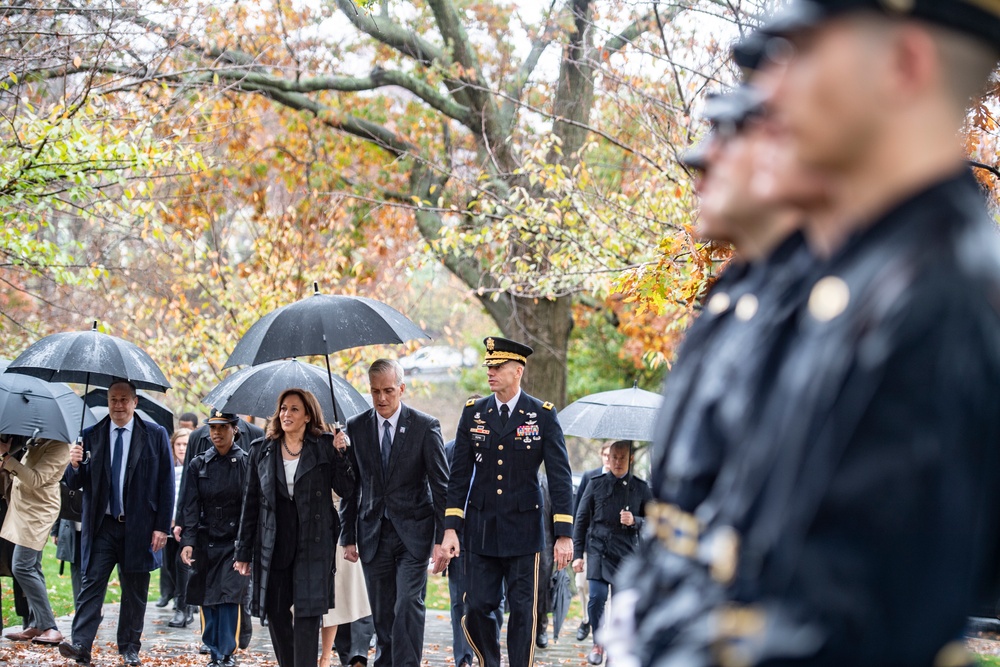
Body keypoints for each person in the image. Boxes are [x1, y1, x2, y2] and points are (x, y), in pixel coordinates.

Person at [622, 3, 1000, 666]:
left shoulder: (945, 294)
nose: (772, 88)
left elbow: (851, 620)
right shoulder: (869, 277)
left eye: (805, 54)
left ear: (905, 64)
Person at [441, 336, 575, 667]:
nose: (491, 373)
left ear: (518, 371)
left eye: (498, 367)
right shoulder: (474, 413)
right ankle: (490, 661)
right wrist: (450, 529)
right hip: (481, 530)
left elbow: (559, 477)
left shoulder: (541, 415)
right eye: (489, 366)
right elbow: (458, 476)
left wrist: (564, 534)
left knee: (523, 613)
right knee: (475, 607)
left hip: (524, 532)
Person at [337, 358, 448, 667]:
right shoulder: (356, 427)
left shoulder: (425, 427)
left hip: (414, 533)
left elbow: (441, 486)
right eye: (375, 392)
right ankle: (385, 662)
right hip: (372, 533)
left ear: (401, 388)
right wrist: (348, 537)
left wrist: (444, 537)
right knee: (383, 611)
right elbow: (351, 488)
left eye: (388, 391)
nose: (382, 399)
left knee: (409, 604)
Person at [59, 380, 175, 667]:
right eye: (113, 399)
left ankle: (129, 647)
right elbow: (75, 484)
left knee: (135, 590)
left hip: (140, 526)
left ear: (135, 402)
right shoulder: (91, 435)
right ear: (108, 402)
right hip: (103, 526)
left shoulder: (155, 435)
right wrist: (73, 465)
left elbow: (166, 483)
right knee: (91, 584)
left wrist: (161, 526)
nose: (118, 405)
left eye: (124, 399)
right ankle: (81, 645)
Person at [235, 388, 354, 667]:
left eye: (294, 409)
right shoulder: (261, 450)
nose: (286, 414)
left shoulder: (325, 445)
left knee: (307, 616)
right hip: (273, 543)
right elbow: (250, 503)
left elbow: (346, 489)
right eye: (283, 408)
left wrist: (342, 455)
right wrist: (242, 551)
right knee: (276, 613)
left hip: (313, 544)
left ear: (308, 415)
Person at [176, 414, 263, 646]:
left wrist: (248, 544)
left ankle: (226, 651)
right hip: (207, 540)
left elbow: (251, 505)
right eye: (213, 428)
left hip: (234, 542)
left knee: (229, 598)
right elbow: (191, 506)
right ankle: (213, 649)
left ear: (234, 430)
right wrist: (188, 541)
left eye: (222, 428)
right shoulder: (199, 464)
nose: (216, 433)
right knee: (208, 597)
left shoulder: (246, 463)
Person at [571, 441, 651, 665]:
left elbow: (655, 521)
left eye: (622, 458)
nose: (617, 462)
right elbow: (581, 519)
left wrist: (635, 520)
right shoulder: (595, 484)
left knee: (620, 605)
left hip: (626, 554)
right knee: (596, 598)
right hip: (598, 549)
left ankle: (615, 652)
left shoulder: (640, 488)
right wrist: (578, 554)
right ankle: (598, 642)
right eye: (614, 457)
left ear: (630, 459)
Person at [0, 433, 71, 646]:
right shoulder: (38, 441)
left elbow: (35, 479)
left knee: (22, 567)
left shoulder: (59, 447)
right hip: (24, 512)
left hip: (37, 514)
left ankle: (51, 628)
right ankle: (39, 623)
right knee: (33, 567)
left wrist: (5, 455)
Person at [319, 495, 372, 667]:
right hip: (308, 515)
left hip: (342, 519)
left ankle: (332, 657)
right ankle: (345, 654)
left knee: (340, 595)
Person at [572, 443, 610, 642]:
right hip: (589, 543)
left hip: (612, 549)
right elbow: (579, 510)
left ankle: (601, 628)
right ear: (601, 455)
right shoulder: (590, 477)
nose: (608, 459)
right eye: (605, 454)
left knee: (601, 592)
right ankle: (586, 619)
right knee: (581, 585)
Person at [161, 428, 192, 623]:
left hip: (186, 526)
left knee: (182, 566)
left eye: (186, 444)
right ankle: (184, 600)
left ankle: (183, 608)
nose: (181, 448)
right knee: (170, 566)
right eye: (178, 444)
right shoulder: (167, 467)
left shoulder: (195, 468)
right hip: (167, 525)